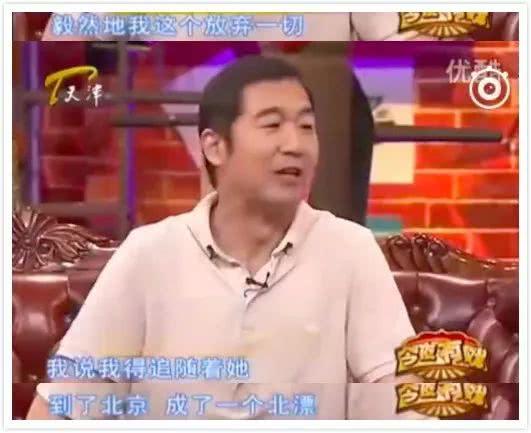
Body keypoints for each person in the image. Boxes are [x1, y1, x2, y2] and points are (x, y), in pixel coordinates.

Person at [27, 55, 420, 420]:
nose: (295, 145)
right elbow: (62, 407)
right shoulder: (149, 253)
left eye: (306, 127)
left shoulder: (350, 250)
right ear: (214, 147)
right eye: (272, 125)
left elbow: (402, 397)